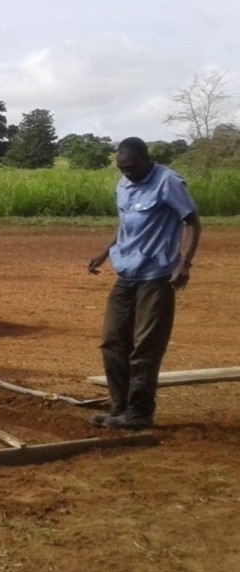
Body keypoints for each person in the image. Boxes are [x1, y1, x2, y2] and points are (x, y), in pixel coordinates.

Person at [86, 137, 201, 430]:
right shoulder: (123, 185)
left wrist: (184, 263)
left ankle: (139, 412)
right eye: (122, 168)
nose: (127, 173)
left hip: (156, 277)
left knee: (145, 348)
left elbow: (192, 222)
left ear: (146, 159)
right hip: (125, 275)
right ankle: (119, 408)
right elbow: (125, 225)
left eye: (132, 167)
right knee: (113, 342)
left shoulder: (168, 182)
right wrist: (105, 252)